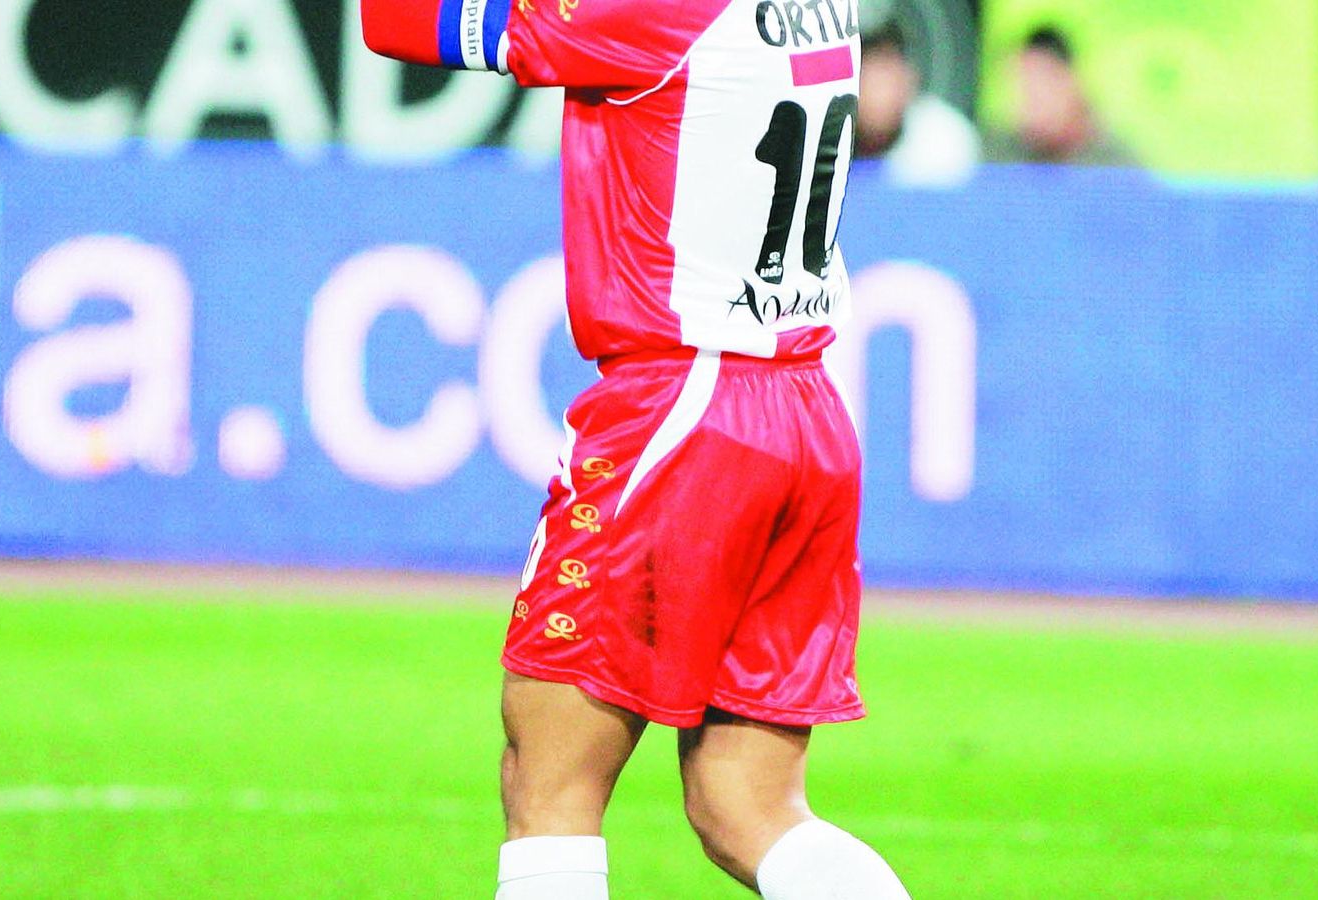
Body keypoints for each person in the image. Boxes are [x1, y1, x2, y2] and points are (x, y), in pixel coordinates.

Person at [359, 1, 912, 898]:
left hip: (681, 408)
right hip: (802, 403)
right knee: (751, 807)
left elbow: (394, 21)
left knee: (551, 787)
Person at [984, 25, 1137, 168]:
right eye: (1020, 87)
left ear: (1071, 80)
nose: (1028, 104)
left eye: (1040, 85)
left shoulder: (1117, 169)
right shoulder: (998, 156)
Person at [854, 26, 980, 188]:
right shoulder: (823, 137)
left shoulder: (945, 139)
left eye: (888, 72)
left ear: (909, 77)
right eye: (871, 79)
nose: (881, 91)